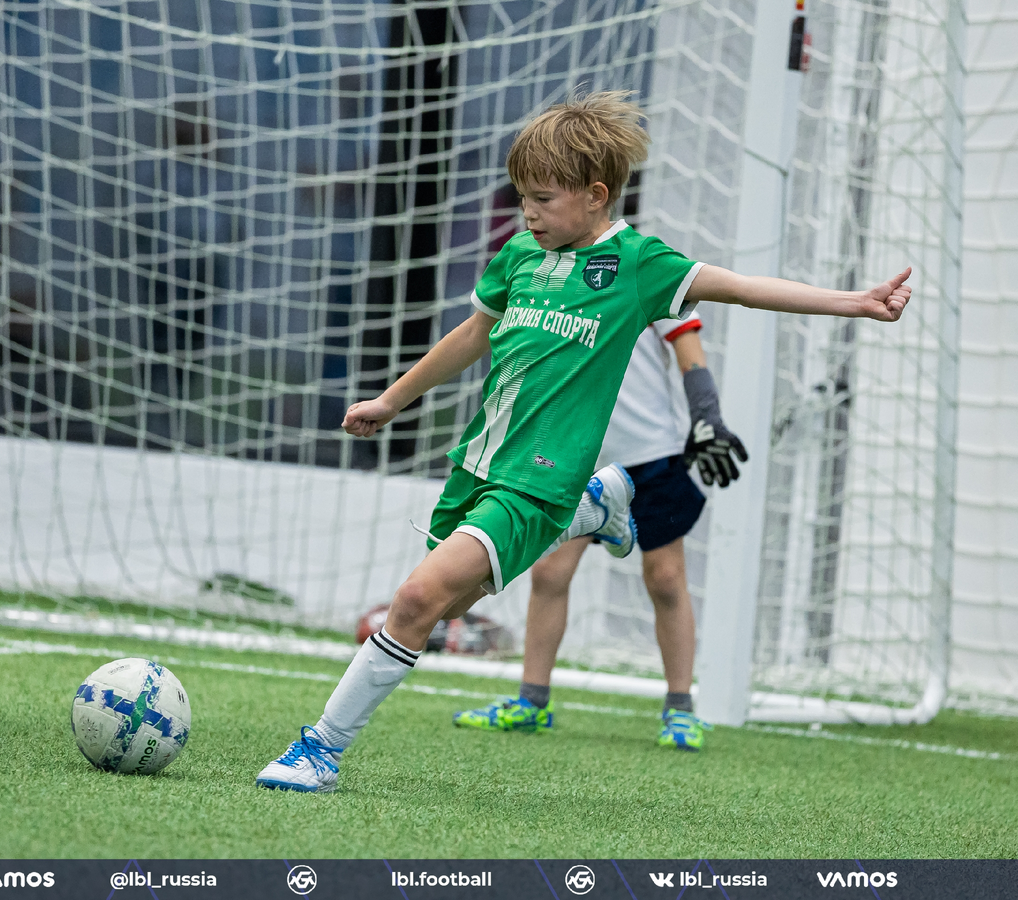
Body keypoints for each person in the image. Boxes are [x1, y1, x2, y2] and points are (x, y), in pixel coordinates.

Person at [254, 91, 911, 793]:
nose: (527, 212)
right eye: (522, 198)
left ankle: (319, 749)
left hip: (540, 476)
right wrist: (392, 400)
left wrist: (856, 303)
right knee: (444, 609)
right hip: (482, 463)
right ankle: (593, 511)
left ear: (597, 196)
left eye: (541, 198)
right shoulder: (518, 256)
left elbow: (742, 288)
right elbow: (471, 335)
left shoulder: (636, 264)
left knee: (413, 602)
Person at [451, 312, 743, 750]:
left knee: (665, 580)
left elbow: (690, 352)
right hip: (577, 453)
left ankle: (680, 710)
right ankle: (532, 702)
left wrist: (707, 415)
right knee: (549, 573)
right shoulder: (560, 272)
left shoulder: (655, 268)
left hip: (649, 453)